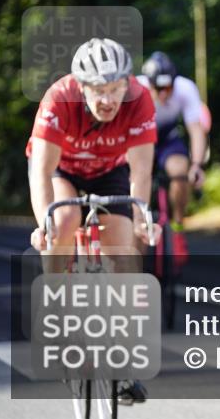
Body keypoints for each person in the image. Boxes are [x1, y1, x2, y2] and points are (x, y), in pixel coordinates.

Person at [27, 37, 155, 403]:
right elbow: (41, 170)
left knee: (126, 249)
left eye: (116, 89)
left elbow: (141, 172)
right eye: (98, 90)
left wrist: (142, 218)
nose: (108, 100)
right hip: (61, 170)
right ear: (80, 86)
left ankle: (122, 364)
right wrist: (44, 225)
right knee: (64, 221)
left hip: (110, 172)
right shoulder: (59, 98)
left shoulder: (140, 99)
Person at [138, 51, 208, 261]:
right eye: (157, 89)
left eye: (167, 88)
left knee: (180, 171)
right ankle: (138, 228)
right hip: (140, 138)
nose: (162, 95)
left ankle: (177, 225)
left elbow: (196, 130)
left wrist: (196, 165)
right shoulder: (135, 89)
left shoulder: (185, 88)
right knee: (137, 178)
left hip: (168, 137)